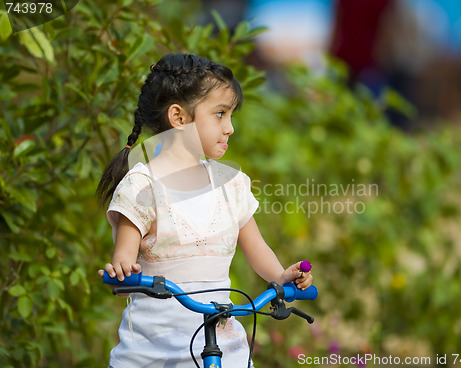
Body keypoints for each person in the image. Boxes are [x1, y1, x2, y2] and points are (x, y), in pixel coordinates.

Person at [96, 53, 313, 368]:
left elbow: (257, 247)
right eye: (220, 114)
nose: (230, 128)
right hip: (155, 355)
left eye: (231, 116)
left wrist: (281, 277)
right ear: (179, 118)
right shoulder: (142, 186)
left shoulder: (231, 184)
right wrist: (121, 272)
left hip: (223, 346)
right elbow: (124, 259)